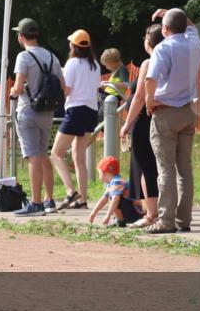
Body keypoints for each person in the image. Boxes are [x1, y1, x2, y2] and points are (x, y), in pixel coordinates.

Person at [142, 8, 200, 234]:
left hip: (165, 113)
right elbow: (193, 27)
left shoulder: (163, 48)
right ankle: (183, 220)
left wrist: (149, 103)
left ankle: (165, 221)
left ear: (164, 29)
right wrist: (173, 12)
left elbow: (151, 79)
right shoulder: (194, 43)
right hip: (187, 111)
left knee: (165, 168)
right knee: (184, 168)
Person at [9, 18, 65, 216]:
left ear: (21, 36)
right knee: (43, 156)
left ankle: (36, 202)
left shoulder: (23, 57)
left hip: (28, 110)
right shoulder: (52, 57)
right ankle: (50, 200)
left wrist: (15, 91)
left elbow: (17, 87)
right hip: (47, 112)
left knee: (33, 157)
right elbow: (62, 85)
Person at [50, 29, 101, 211]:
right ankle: (83, 199)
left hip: (75, 110)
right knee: (78, 157)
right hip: (91, 111)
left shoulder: (72, 63)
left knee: (56, 154)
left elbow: (67, 90)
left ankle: (71, 191)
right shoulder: (95, 64)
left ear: (73, 46)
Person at [120, 25, 164, 229]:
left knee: (146, 168)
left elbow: (140, 96)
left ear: (150, 40)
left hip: (143, 119)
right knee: (161, 167)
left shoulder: (149, 61)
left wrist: (127, 124)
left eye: (145, 36)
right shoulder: (169, 60)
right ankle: (160, 210)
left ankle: (151, 213)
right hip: (160, 118)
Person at [88, 155, 143, 227]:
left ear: (102, 172)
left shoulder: (116, 182)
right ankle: (120, 219)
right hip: (132, 211)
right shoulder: (113, 183)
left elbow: (115, 199)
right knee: (112, 196)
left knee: (113, 198)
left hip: (135, 213)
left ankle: (121, 221)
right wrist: (94, 212)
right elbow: (103, 199)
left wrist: (108, 216)